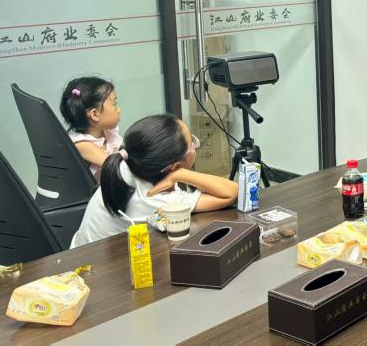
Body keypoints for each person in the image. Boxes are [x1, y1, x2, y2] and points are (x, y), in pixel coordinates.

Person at [70, 114, 238, 247]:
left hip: (87, 255)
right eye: (192, 144)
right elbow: (231, 192)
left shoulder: (127, 164)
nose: (195, 147)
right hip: (94, 273)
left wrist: (175, 174)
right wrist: (180, 175)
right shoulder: (153, 196)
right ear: (174, 165)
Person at [59, 76, 123, 178]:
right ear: (95, 114)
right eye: (114, 104)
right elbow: (114, 166)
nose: (119, 110)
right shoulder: (81, 144)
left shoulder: (106, 132)